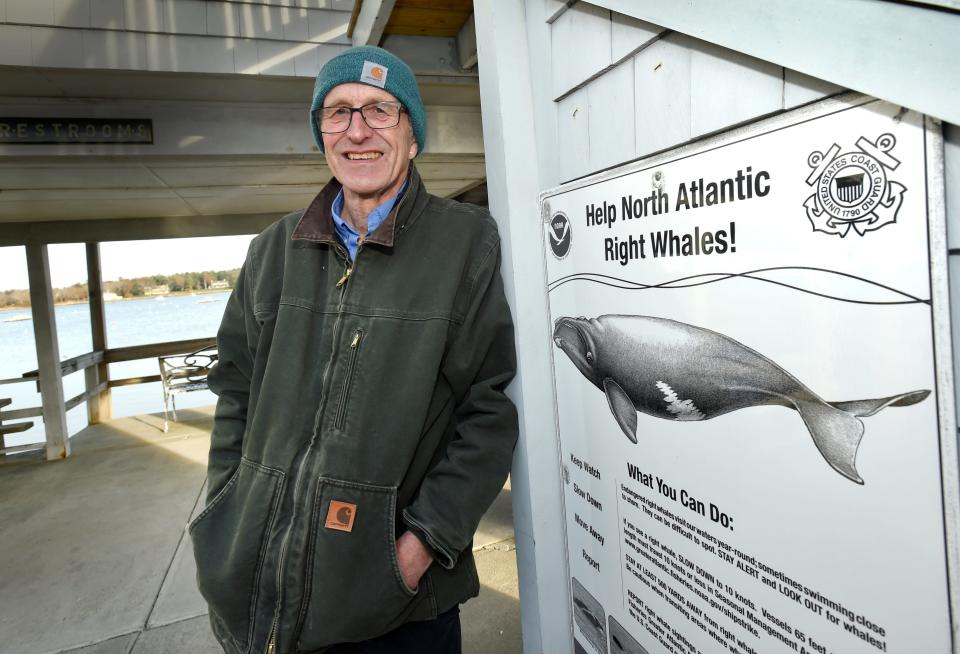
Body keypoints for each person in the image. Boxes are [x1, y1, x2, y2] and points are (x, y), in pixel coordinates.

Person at [190, 46, 519, 654]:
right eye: (338, 112)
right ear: (321, 136)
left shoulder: (464, 242)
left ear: (413, 136)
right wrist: (226, 507)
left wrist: (416, 550)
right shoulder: (272, 250)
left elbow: (488, 412)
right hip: (258, 584)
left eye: (380, 110)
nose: (358, 130)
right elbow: (234, 386)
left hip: (397, 609)